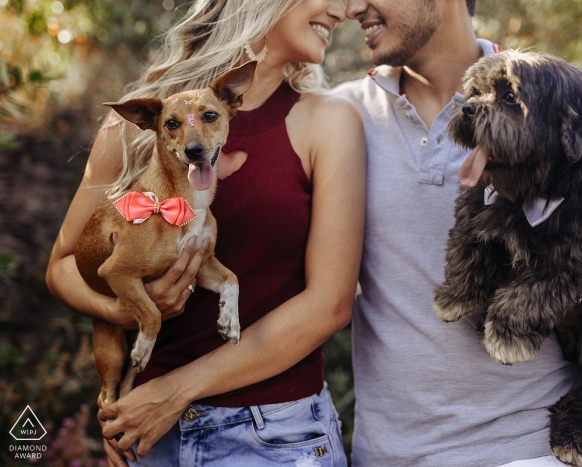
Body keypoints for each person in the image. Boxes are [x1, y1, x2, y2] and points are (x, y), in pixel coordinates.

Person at [333, 1, 582, 466]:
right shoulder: (341, 114)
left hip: (530, 448)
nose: (355, 7)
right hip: (387, 454)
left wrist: (569, 284)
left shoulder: (554, 99)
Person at [45, 1, 365, 466]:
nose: (344, 8)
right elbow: (62, 267)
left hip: (275, 438)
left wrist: (174, 392)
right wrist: (128, 308)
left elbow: (330, 304)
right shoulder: (139, 123)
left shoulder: (330, 122)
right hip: (145, 434)